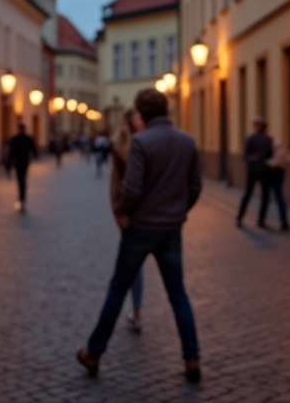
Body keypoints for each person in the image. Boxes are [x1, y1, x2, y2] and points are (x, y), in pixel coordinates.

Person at [77, 88, 203, 383]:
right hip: (171, 229)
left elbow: (131, 188)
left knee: (118, 289)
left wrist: (124, 210)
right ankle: (192, 358)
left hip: (141, 229)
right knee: (178, 295)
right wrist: (179, 211)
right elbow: (195, 186)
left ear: (142, 114)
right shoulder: (187, 142)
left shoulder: (141, 143)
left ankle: (94, 353)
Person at [109, 109, 146, 331]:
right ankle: (137, 310)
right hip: (132, 217)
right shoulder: (120, 147)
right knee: (131, 270)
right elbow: (116, 185)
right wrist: (121, 216)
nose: (140, 121)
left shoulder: (150, 142)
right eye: (137, 119)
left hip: (150, 215)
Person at [237, 118, 274, 229]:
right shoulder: (268, 139)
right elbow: (270, 155)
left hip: (252, 170)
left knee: (248, 194)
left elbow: (245, 155)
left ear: (256, 127)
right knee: (265, 196)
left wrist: (252, 160)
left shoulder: (250, 139)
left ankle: (240, 217)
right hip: (264, 170)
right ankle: (261, 220)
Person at [7, 124, 38, 210]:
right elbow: (34, 149)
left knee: (20, 180)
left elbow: (10, 153)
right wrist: (35, 156)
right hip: (25, 162)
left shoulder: (15, 139)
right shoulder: (28, 138)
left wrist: (9, 165)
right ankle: (22, 198)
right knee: (23, 180)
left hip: (18, 162)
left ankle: (21, 198)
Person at [267, 139, 290, 231]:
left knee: (277, 195)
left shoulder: (274, 146)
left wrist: (267, 163)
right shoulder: (282, 149)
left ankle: (283, 221)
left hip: (275, 173)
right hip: (281, 172)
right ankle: (284, 221)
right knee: (279, 195)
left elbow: (274, 163)